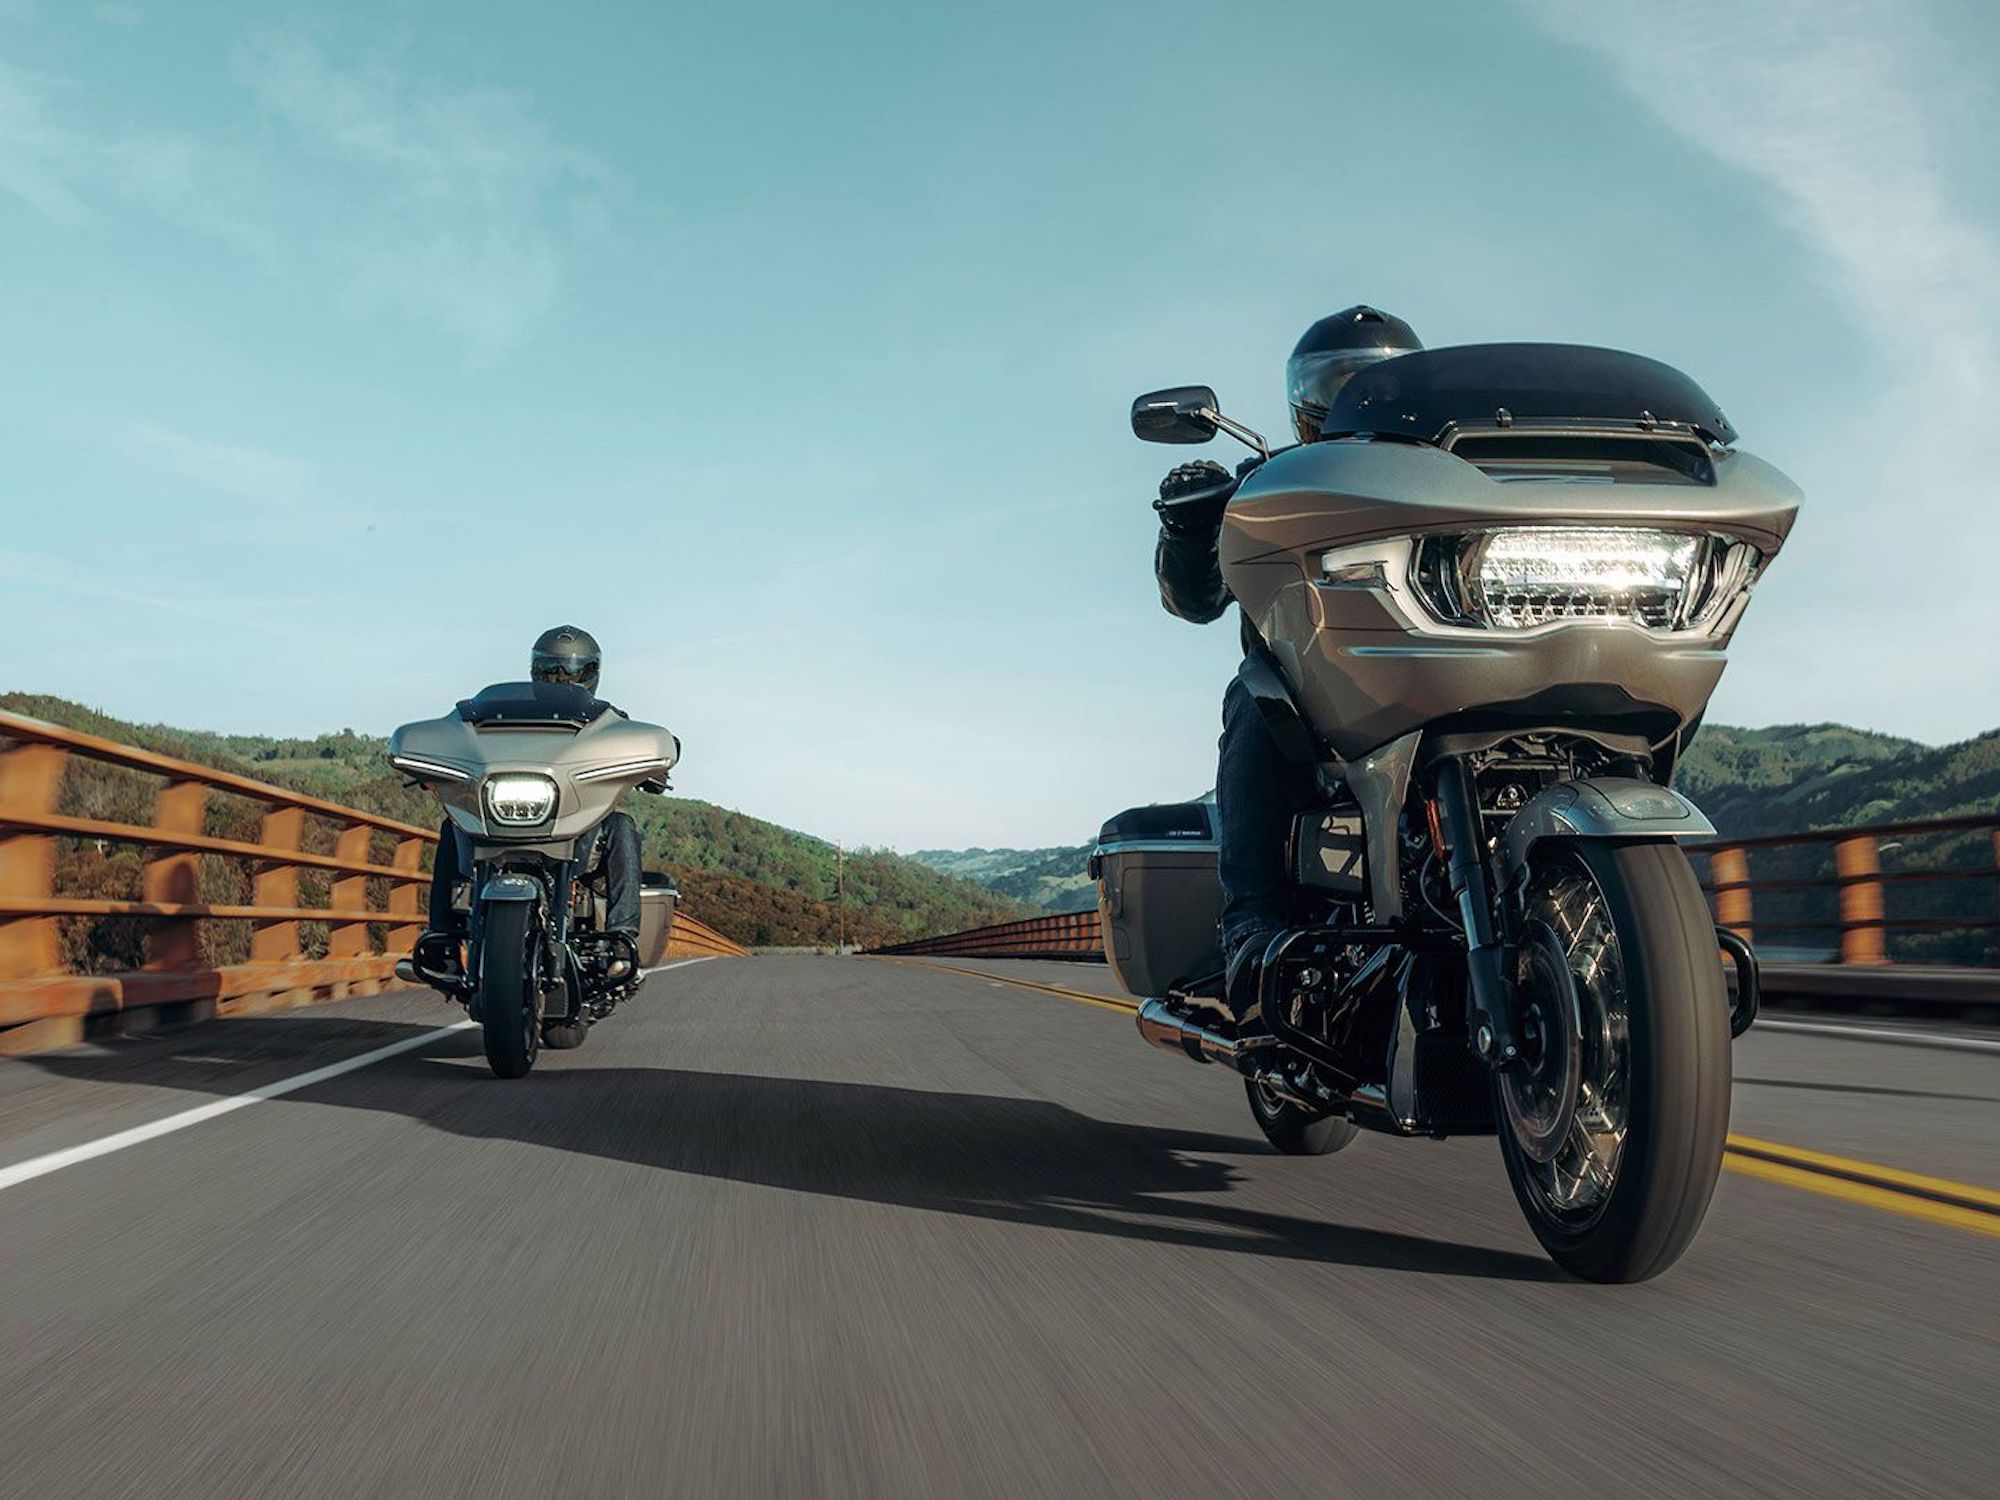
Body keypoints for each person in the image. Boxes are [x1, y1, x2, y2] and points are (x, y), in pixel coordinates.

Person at [1153, 306, 1424, 1018]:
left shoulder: (1454, 478)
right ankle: (1250, 922)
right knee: (1256, 698)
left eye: (1378, 383)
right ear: (1306, 399)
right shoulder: (1273, 485)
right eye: (1338, 383)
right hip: (1318, 699)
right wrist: (1189, 527)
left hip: (1437, 680)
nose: (1358, 397)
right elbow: (1195, 600)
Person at [419, 625, 643, 979]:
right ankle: (442, 938)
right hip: (502, 813)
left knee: (621, 826)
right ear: (535, 670)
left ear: (591, 674)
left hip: (575, 818)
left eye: (573, 671)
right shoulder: (497, 716)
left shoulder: (606, 720)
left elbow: (636, 746)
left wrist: (650, 766)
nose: (561, 680)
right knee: (454, 824)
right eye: (551, 670)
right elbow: (462, 737)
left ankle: (621, 937)